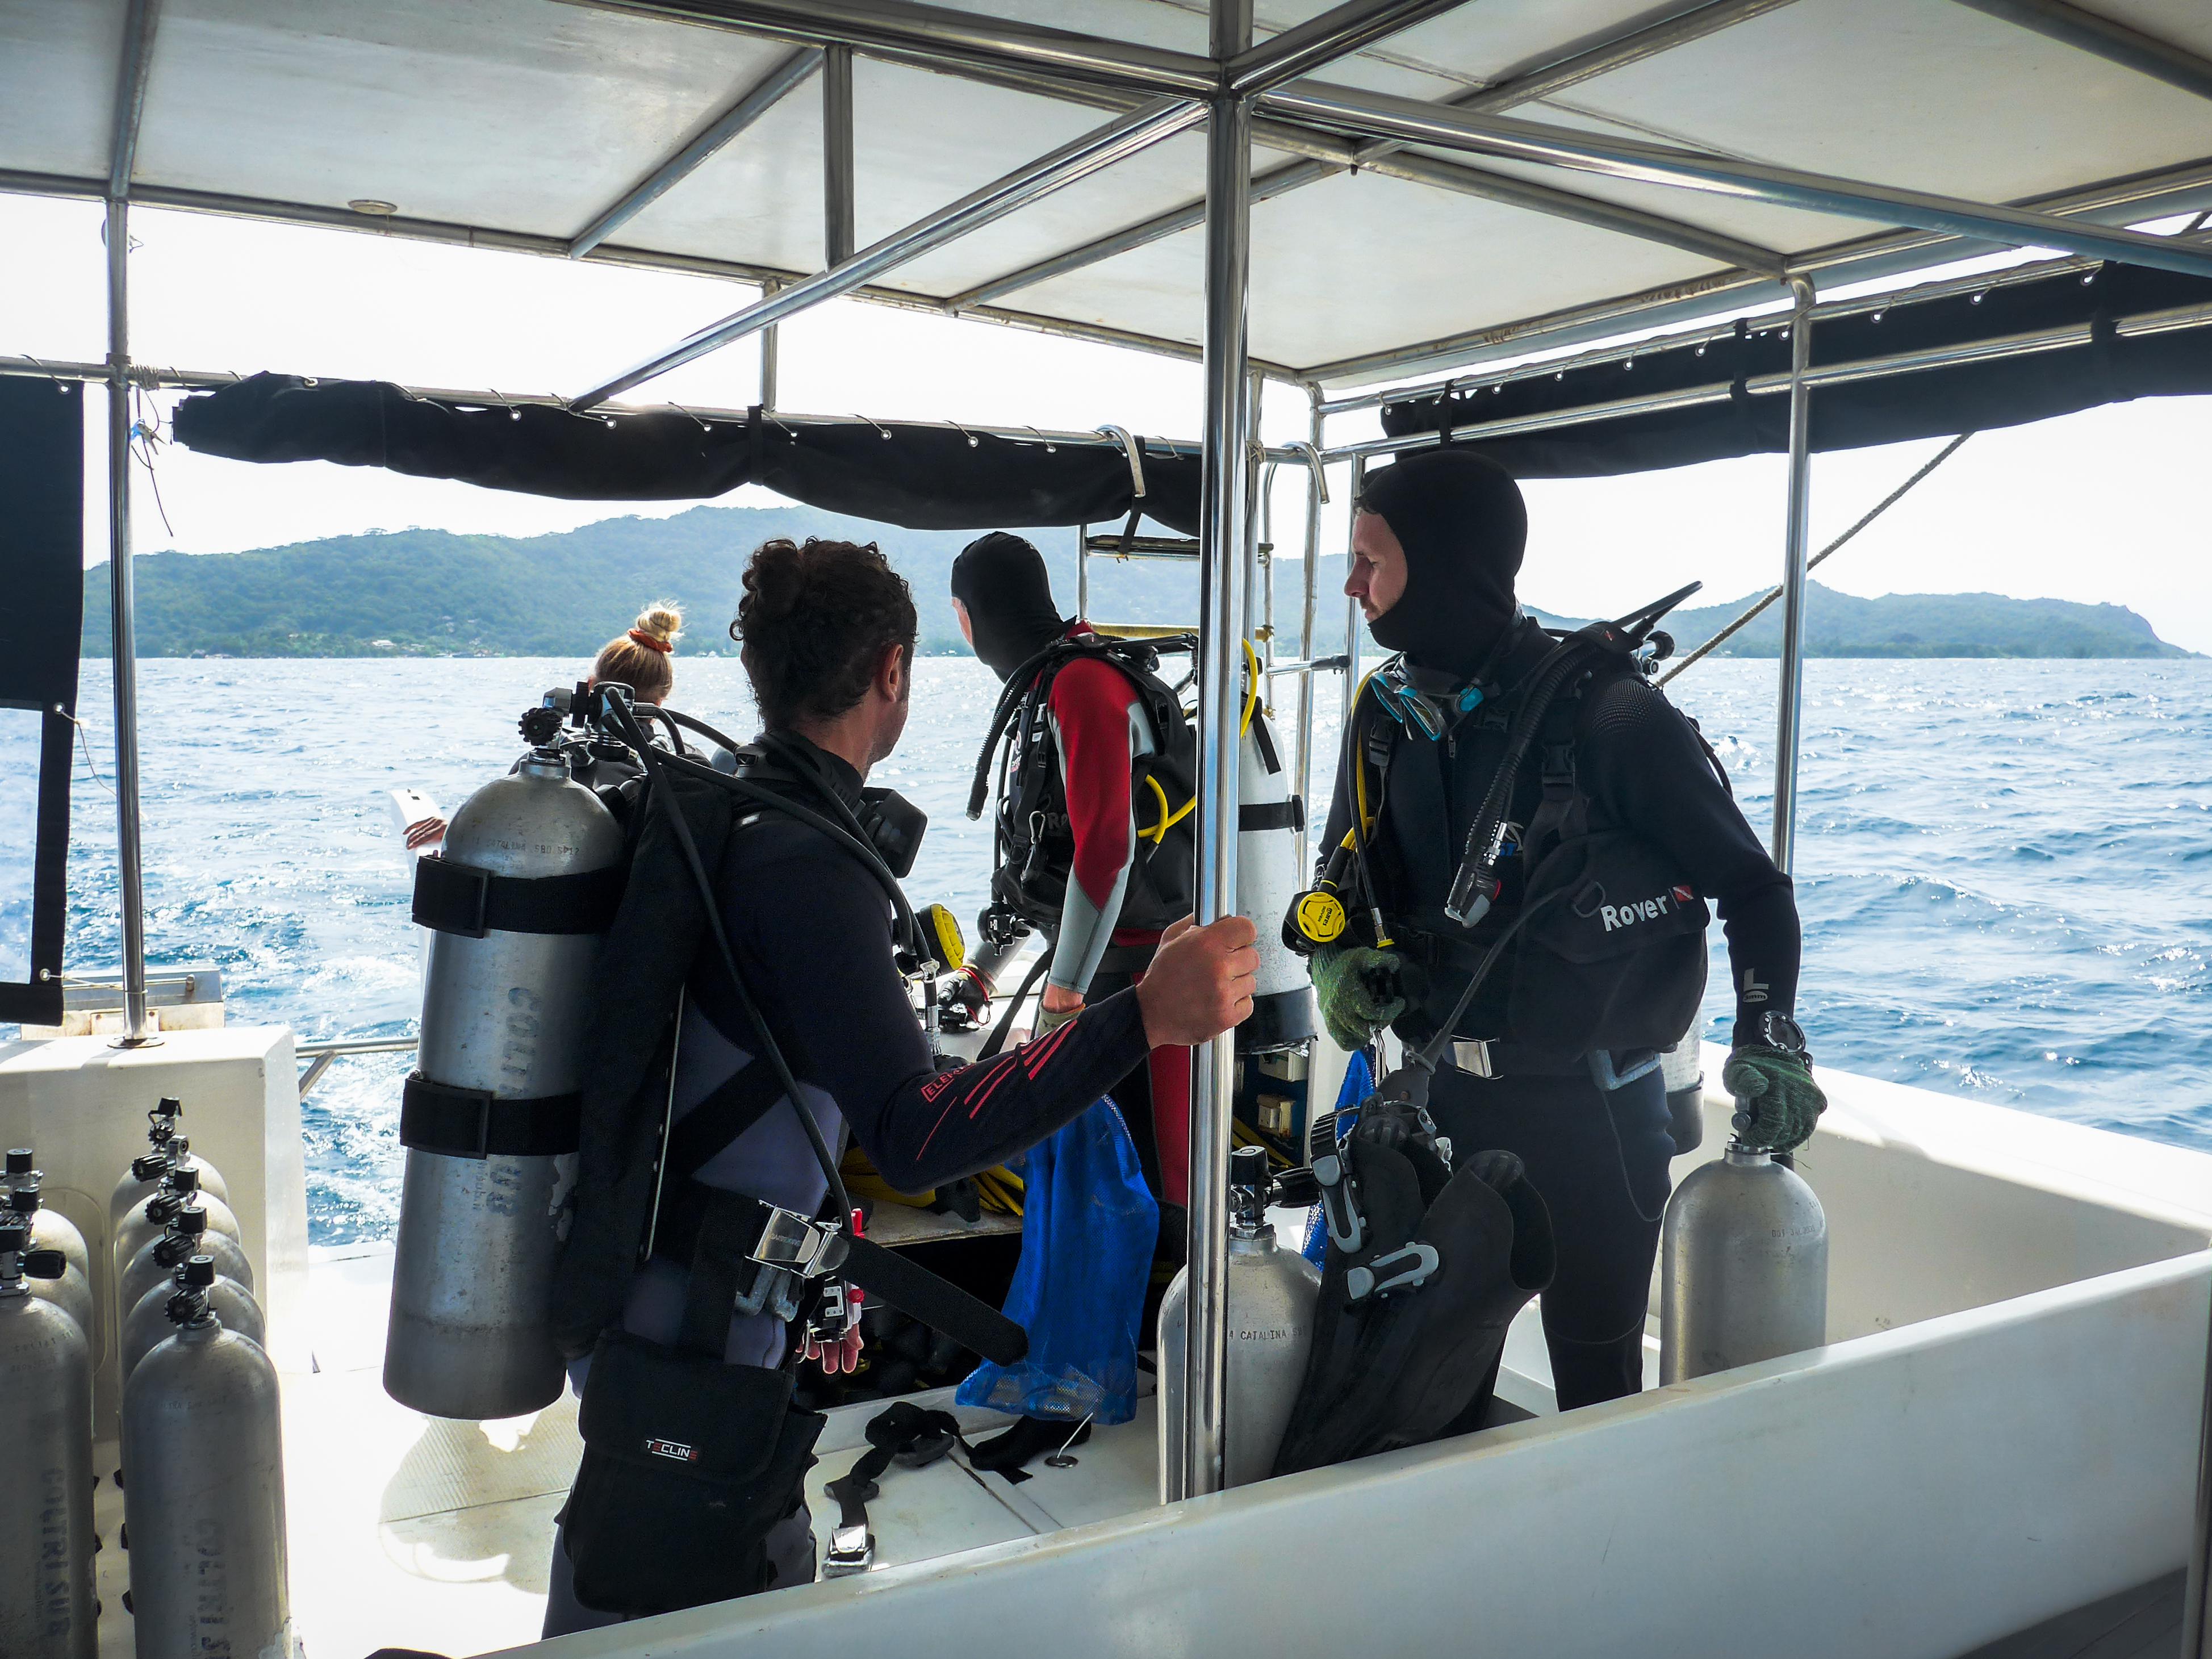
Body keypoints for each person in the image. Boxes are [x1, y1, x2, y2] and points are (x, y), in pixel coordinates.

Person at [541, 538, 1257, 1633]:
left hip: (675, 1283)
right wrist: (1142, 1017)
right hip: (692, 1317)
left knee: (701, 1573)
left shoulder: (738, 816)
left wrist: (823, 1265)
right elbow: (918, 1135)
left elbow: (758, 1085)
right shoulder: (805, 864)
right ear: (892, 672)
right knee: (654, 1599)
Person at [1307, 448, 1822, 1413]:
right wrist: (1338, 959)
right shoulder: (1383, 720)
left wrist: (1771, 1037)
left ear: (1448, 563)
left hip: (1592, 1121)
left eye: (1371, 560)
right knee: (1426, 1381)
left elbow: (1754, 890)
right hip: (1436, 1104)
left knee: (1595, 1384)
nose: (1352, 586)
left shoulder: (1611, 719)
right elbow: (1331, 885)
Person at [946, 531, 1201, 1468]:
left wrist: (1063, 993)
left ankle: (1081, 1390)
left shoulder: (1083, 687)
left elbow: (1105, 852)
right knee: (1095, 1177)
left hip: (1135, 985)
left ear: (972, 618)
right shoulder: (1065, 681)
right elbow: (1045, 862)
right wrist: (987, 963)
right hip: (1117, 969)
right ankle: (1097, 1366)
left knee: (1107, 1183)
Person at [399, 602, 689, 847]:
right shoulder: (682, 770)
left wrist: (459, 828)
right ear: (660, 704)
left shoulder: (547, 761)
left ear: (588, 689)